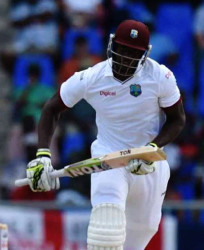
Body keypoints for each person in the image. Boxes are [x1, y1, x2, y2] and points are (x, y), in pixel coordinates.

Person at [25, 20, 186, 249]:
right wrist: (42, 155)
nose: (126, 57)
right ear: (112, 46)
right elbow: (52, 108)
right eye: (122, 49)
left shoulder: (161, 77)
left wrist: (151, 149)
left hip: (148, 163)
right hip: (108, 158)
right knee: (106, 231)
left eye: (134, 53)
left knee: (142, 232)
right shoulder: (92, 77)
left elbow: (177, 119)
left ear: (145, 54)